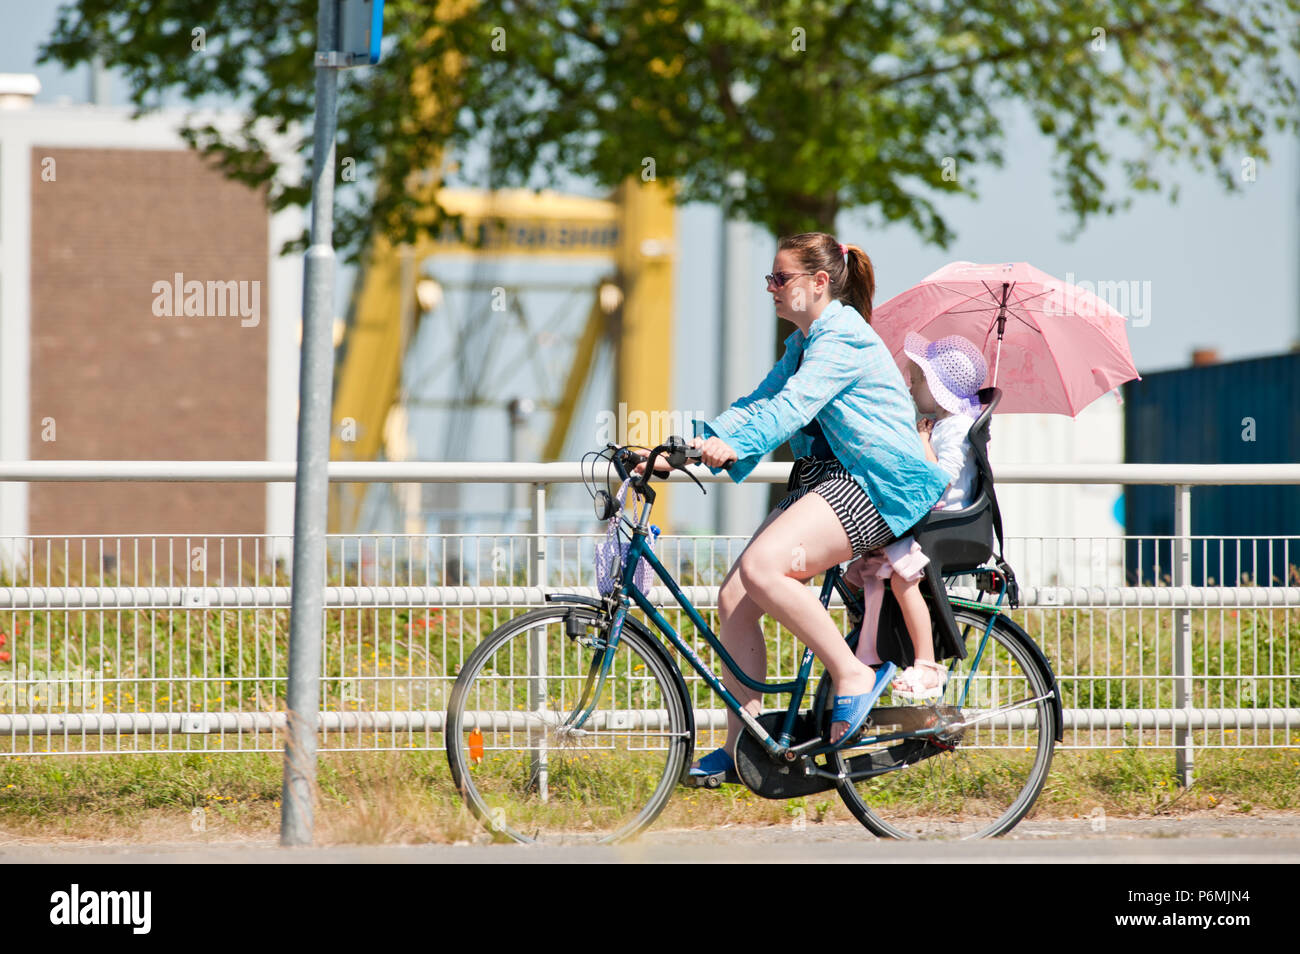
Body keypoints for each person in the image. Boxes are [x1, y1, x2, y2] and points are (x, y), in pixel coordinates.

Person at [663, 232, 950, 781]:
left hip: (882, 483)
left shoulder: (842, 337)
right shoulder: (803, 343)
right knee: (734, 598)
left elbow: (792, 408)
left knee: (763, 568)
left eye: (780, 278)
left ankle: (852, 675)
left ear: (819, 283)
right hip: (832, 476)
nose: (770, 288)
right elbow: (760, 402)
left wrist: (737, 447)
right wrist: (686, 448)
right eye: (769, 278)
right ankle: (747, 744)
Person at [844, 332, 989, 700]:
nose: (910, 388)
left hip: (946, 526)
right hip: (932, 520)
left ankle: (926, 664)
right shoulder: (941, 425)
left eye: (917, 381)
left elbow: (941, 479)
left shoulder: (956, 427)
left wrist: (921, 441)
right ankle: (871, 647)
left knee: (903, 578)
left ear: (940, 389)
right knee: (871, 566)